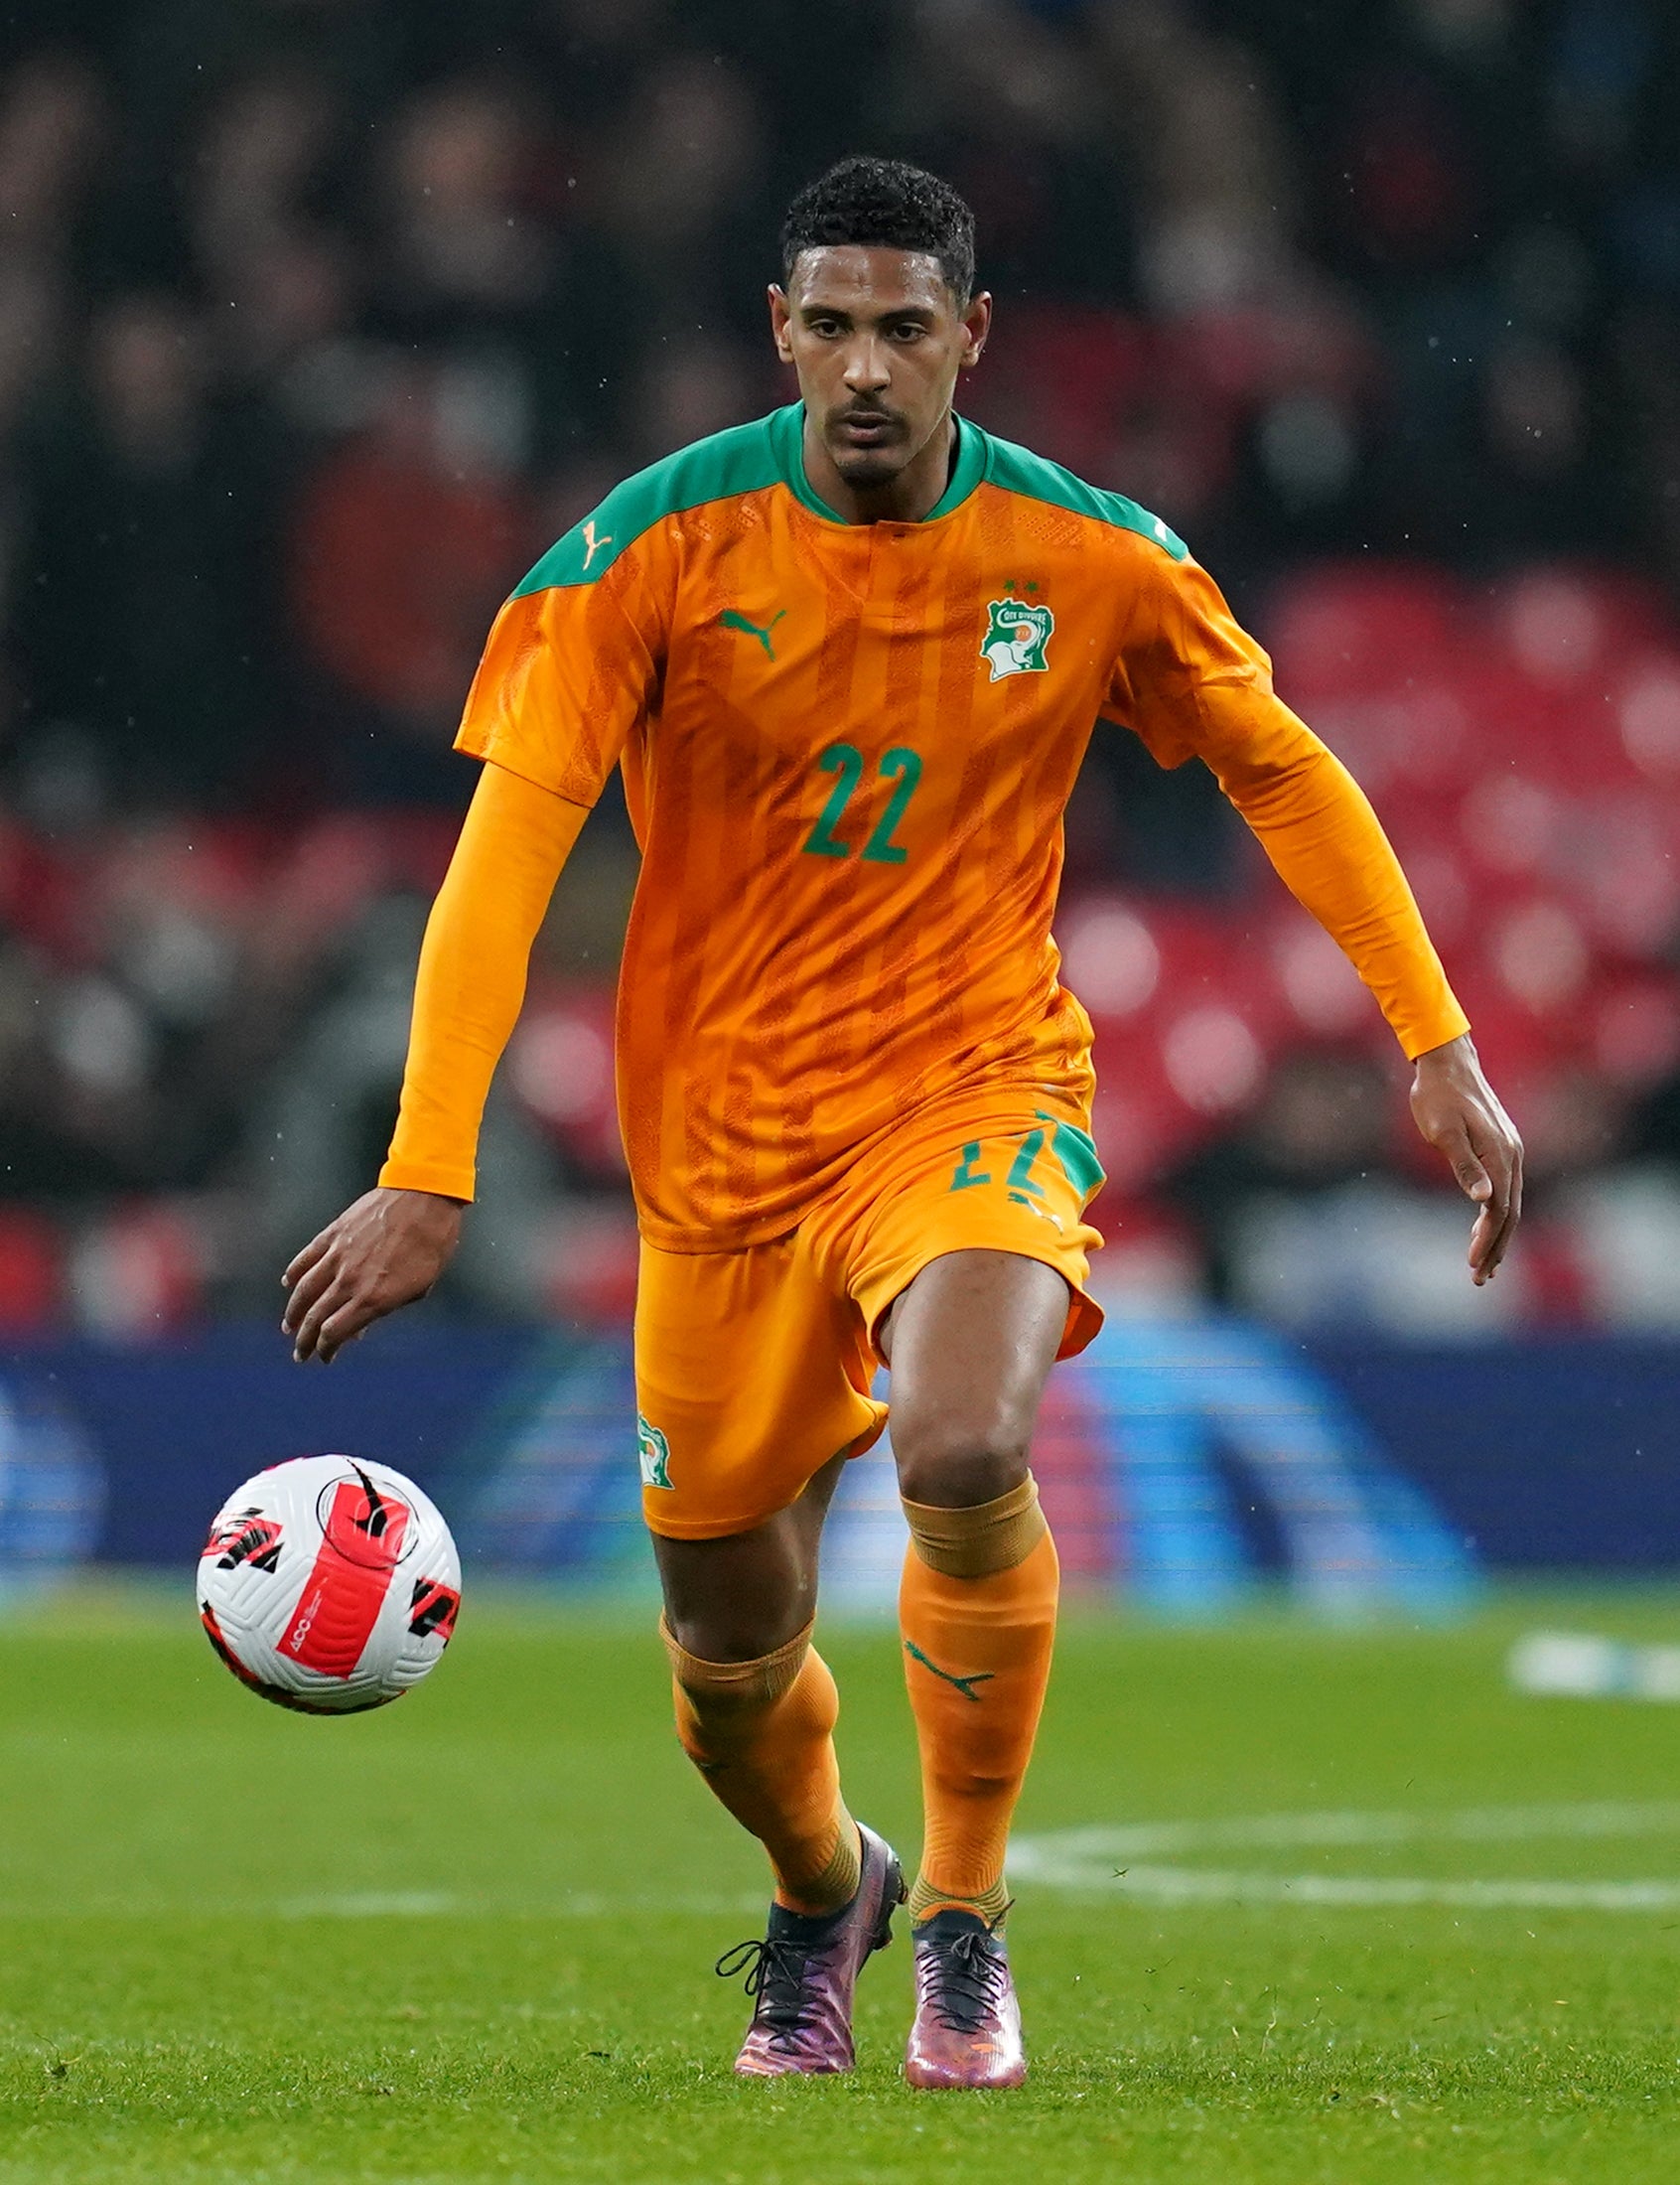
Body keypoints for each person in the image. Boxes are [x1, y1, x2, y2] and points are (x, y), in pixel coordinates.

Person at [281, 158, 1522, 2090]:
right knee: (726, 1644)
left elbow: (1285, 768)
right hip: (720, 1158)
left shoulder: (1089, 556)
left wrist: (1434, 1038)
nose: (868, 367)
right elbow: (503, 857)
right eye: (833, 325)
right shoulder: (651, 549)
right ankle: (822, 1886)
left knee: (963, 1440)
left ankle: (963, 1913)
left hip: (974, 1090)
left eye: (906, 328)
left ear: (973, 338)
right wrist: (429, 1163)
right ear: (782, 331)